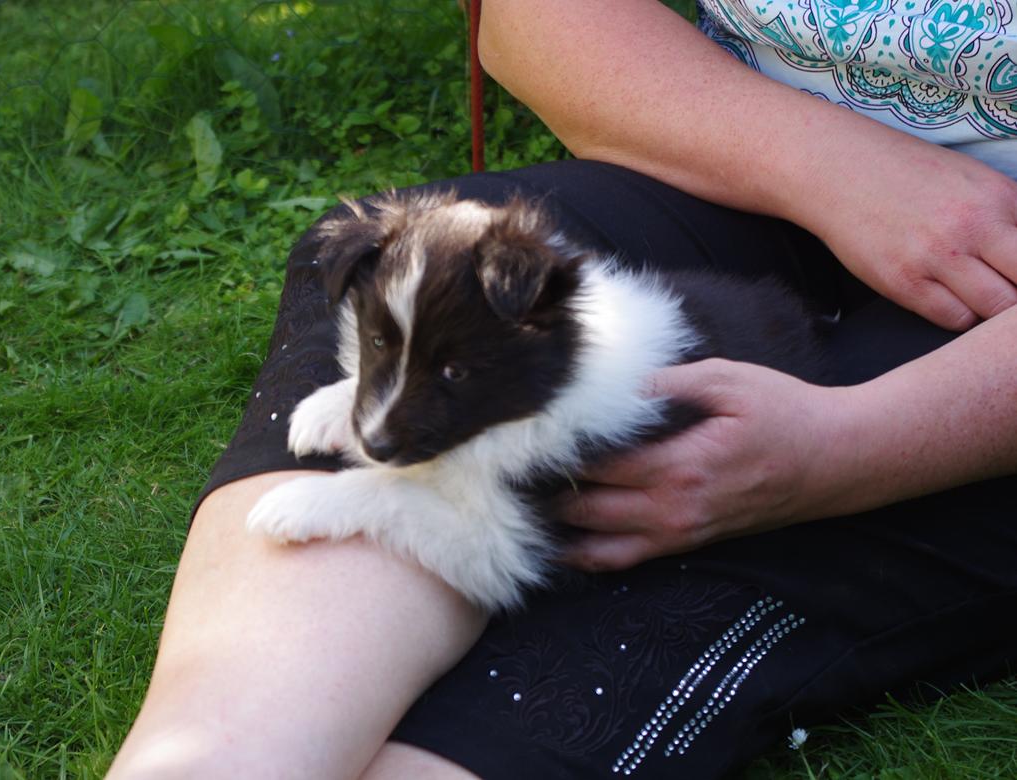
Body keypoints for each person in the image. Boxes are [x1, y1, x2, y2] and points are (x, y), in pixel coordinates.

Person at [108, 0, 1017, 777]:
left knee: (649, 571)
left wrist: (847, 447)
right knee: (384, 283)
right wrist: (843, 169)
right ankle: (221, 753)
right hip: (768, 159)